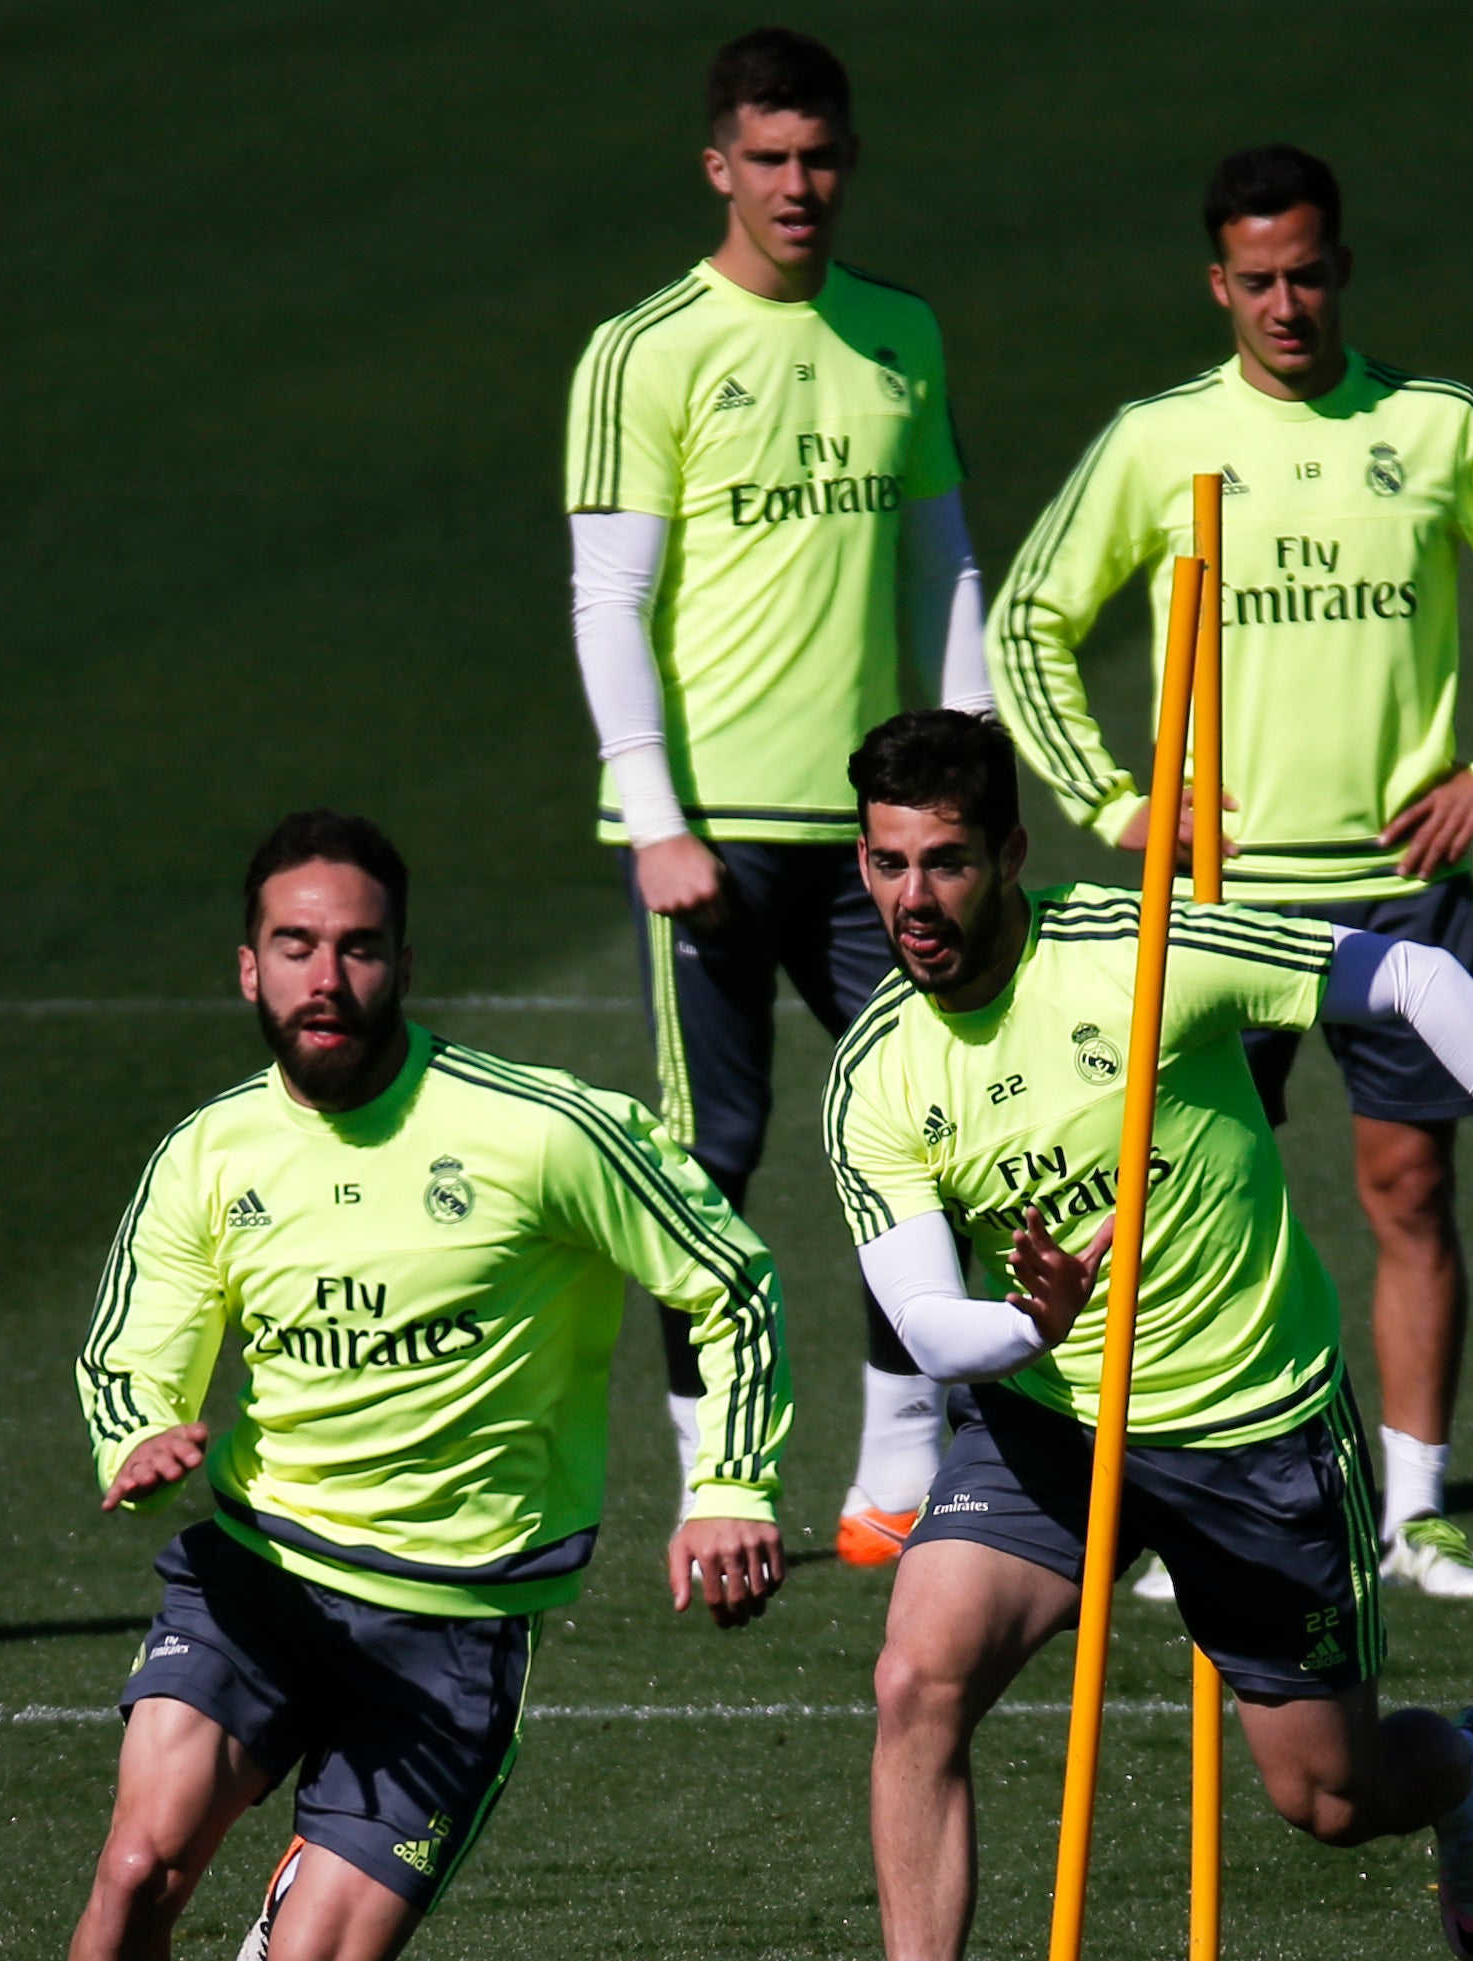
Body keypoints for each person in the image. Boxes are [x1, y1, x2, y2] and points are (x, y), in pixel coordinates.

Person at [784, 712, 1473, 1961]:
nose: (913, 901)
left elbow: (1422, 982)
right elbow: (931, 1323)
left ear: (1009, 852)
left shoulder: (1146, 951)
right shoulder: (874, 1074)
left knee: (1324, 1799)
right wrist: (1033, 1332)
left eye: (945, 863)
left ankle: (1469, 1770)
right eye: (885, 866)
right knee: (914, 1677)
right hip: (1050, 1422)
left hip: (1254, 1422)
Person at [0, 813, 790, 1961]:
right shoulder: (211, 1155)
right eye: (296, 947)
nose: (326, 977)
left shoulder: (539, 1129)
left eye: (357, 948)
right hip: (259, 1573)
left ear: (403, 963)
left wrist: (729, 1484)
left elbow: (729, 1276)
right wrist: (142, 1437)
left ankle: (300, 1906)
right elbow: (131, 1363)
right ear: (249, 967)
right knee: (133, 1869)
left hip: (454, 1629)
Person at [988, 144, 1473, 1600]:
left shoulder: (1437, 425)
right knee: (1175, 1196)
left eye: (1307, 273)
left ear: (1341, 267)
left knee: (1407, 1185)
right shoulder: (1162, 439)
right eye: (1257, 280)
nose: (1286, 303)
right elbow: (1027, 619)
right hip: (1219, 896)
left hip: (1398, 881)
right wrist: (1112, 798)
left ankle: (1415, 1509)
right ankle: (1187, 1499)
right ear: (1218, 283)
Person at [563, 26, 984, 1569]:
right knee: (709, 1160)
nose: (797, 186)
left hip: (877, 834)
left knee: (913, 1136)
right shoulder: (646, 349)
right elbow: (610, 598)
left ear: (846, 163)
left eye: (820, 158)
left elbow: (944, 559)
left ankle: (895, 1475)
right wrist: (655, 816)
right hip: (713, 835)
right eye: (769, 160)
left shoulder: (899, 335)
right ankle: (716, 1482)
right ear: (718, 169)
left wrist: (970, 766)